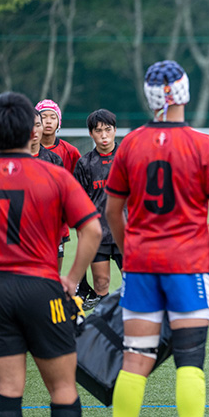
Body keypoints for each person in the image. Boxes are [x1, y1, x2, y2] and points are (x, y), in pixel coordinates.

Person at [105, 60, 209, 417]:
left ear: (150, 97)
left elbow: (111, 212)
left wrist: (130, 250)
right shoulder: (203, 145)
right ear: (185, 92)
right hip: (187, 266)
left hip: (140, 266)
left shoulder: (131, 143)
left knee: (135, 359)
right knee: (190, 360)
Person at [0, 91, 102, 417]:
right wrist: (71, 279)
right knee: (62, 388)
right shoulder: (55, 174)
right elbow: (92, 230)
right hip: (43, 289)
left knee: (8, 391)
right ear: (33, 132)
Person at [73, 109, 122, 310]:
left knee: (135, 283)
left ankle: (134, 329)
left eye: (107, 130)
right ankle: (108, 331)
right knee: (101, 284)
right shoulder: (84, 163)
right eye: (98, 130)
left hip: (124, 233)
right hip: (98, 235)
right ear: (91, 134)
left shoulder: (126, 158)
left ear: (115, 130)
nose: (103, 135)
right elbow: (78, 203)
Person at [35, 99, 80, 272]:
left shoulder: (70, 151)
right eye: (43, 117)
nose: (47, 121)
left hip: (57, 221)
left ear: (59, 122)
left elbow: (77, 185)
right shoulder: (26, 149)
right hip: (30, 219)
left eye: (52, 117)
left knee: (54, 272)